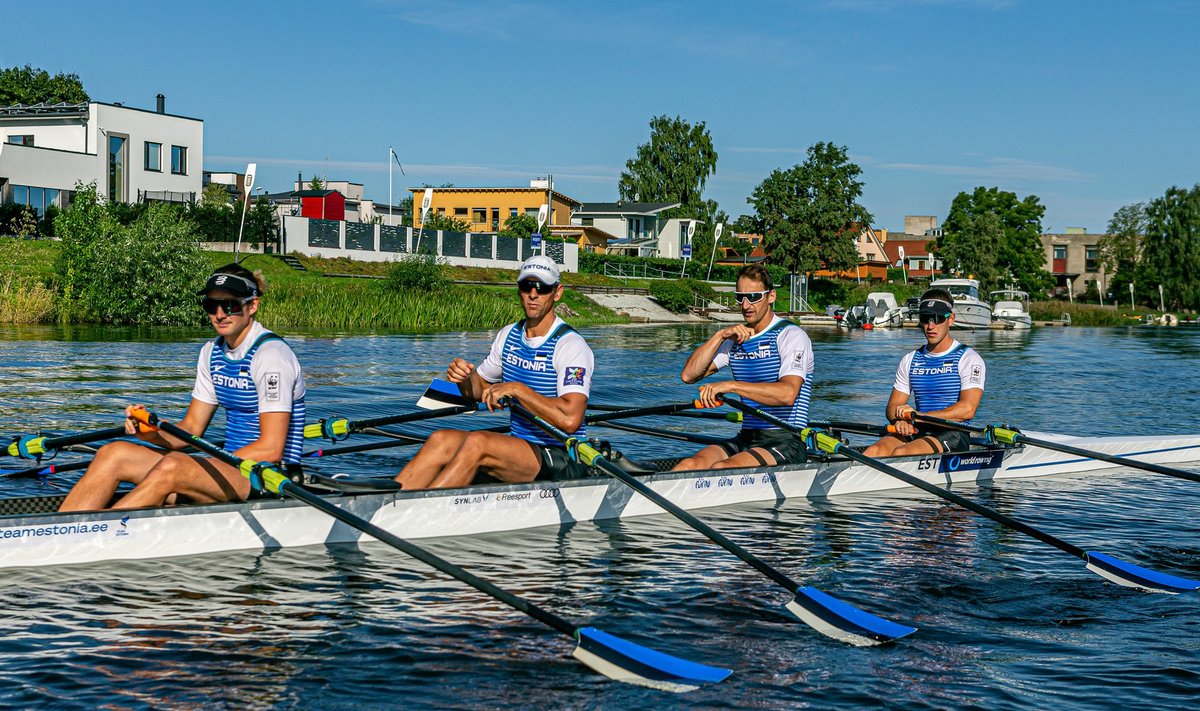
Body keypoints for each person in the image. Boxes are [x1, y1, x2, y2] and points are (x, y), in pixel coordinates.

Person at [59, 263, 306, 511]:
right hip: (231, 468)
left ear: (252, 306)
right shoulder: (212, 352)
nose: (220, 314)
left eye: (230, 305)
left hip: (270, 477)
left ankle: (99, 536)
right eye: (211, 306)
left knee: (175, 465)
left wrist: (199, 468)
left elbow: (271, 448)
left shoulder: (271, 355)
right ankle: (61, 532)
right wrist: (148, 433)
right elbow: (191, 429)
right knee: (113, 453)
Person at [396, 255, 594, 489]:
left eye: (542, 288)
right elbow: (478, 392)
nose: (533, 294)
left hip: (563, 455)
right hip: (520, 448)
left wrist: (516, 389)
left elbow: (570, 420)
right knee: (441, 439)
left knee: (478, 442)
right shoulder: (508, 336)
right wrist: (465, 379)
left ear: (557, 292)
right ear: (519, 289)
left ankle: (421, 510)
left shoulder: (571, 346)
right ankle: (387, 502)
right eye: (526, 286)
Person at [672, 264, 814, 471]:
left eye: (754, 297)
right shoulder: (735, 340)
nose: (746, 305)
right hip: (747, 437)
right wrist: (719, 336)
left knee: (722, 467)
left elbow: (787, 394)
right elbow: (688, 375)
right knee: (688, 465)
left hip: (786, 440)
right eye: (740, 297)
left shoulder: (791, 336)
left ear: (771, 296)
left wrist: (731, 385)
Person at [863, 288, 985, 457]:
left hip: (953, 432)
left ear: (951, 320)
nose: (931, 326)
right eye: (926, 318)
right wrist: (899, 421)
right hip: (917, 428)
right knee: (872, 452)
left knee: (901, 453)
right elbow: (892, 406)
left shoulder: (968, 358)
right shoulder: (910, 360)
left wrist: (921, 416)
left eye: (937, 318)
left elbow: (967, 409)